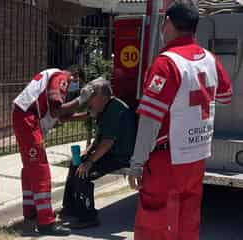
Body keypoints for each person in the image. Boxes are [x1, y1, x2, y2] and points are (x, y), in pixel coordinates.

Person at [128, 1, 233, 239]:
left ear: (168, 24)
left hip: (168, 158)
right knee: (188, 221)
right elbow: (226, 96)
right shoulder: (209, 58)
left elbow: (150, 120)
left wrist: (137, 163)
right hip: (197, 156)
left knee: (154, 225)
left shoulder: (166, 63)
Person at [12, 67, 94, 236]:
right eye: (76, 83)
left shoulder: (50, 77)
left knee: (30, 169)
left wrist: (86, 115)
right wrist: (82, 99)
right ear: (75, 76)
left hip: (24, 117)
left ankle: (31, 212)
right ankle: (46, 222)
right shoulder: (62, 76)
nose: (73, 87)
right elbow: (58, 110)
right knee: (41, 170)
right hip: (29, 120)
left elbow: (60, 117)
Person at [60, 78, 136, 229]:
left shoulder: (115, 109)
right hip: (110, 153)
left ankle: (88, 216)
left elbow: (108, 142)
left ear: (102, 96)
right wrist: (88, 152)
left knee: (83, 173)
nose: (89, 102)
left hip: (121, 156)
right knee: (74, 165)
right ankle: (70, 208)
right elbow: (101, 136)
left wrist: (90, 161)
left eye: (91, 98)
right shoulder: (105, 108)